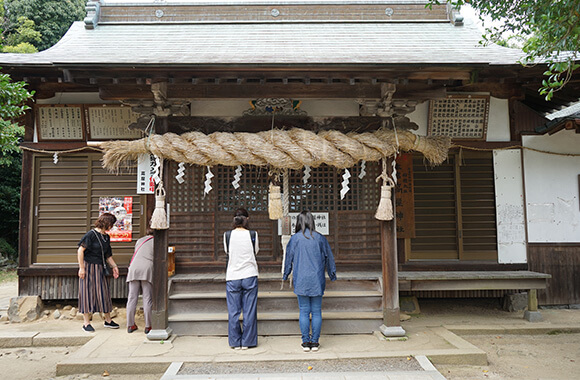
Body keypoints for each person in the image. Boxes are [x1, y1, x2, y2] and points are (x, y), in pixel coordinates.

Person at [283, 210, 336, 352]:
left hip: (301, 279)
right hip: (317, 279)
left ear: (298, 222)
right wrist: (332, 274)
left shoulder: (295, 239)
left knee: (304, 311)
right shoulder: (320, 238)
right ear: (312, 221)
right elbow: (329, 257)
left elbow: (288, 259)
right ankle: (315, 342)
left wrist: (285, 274)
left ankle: (306, 342)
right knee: (317, 311)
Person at [77, 212, 120, 332]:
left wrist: (114, 267)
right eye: (111, 224)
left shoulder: (106, 237)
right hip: (88, 267)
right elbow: (80, 251)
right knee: (87, 293)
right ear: (107, 223)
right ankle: (86, 323)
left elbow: (108, 255)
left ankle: (108, 320)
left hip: (101, 267)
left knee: (104, 292)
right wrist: (81, 268)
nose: (112, 227)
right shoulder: (90, 235)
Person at [224, 208, 259, 349]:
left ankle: (235, 342)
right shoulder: (253, 234)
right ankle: (248, 342)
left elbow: (227, 252)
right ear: (247, 219)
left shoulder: (227, 235)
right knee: (249, 310)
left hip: (233, 275)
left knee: (233, 311)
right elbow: (255, 251)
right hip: (250, 274)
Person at [126, 228, 154, 334]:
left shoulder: (139, 240)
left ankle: (130, 325)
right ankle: (148, 326)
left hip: (134, 268)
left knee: (132, 297)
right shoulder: (156, 241)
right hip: (146, 268)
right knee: (147, 298)